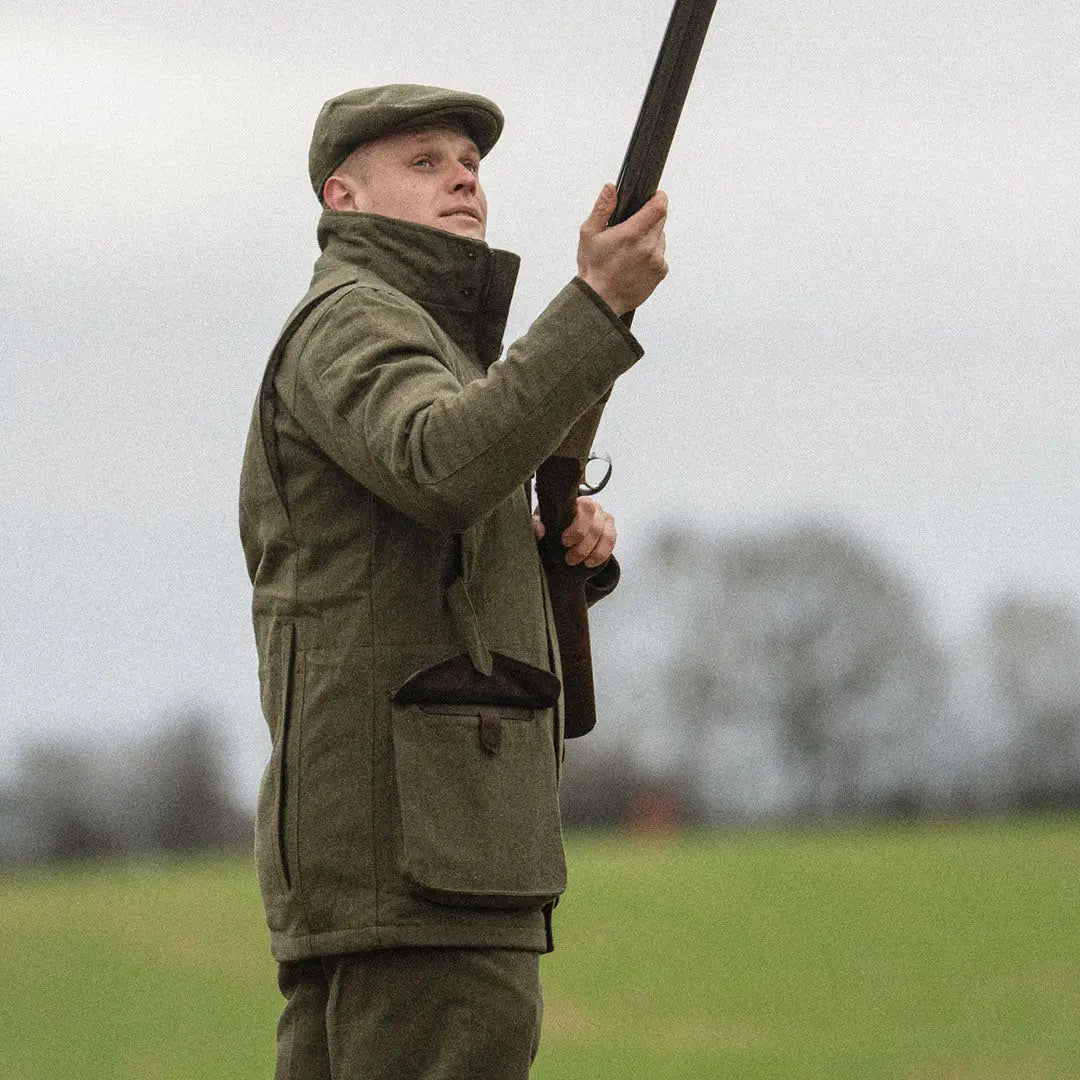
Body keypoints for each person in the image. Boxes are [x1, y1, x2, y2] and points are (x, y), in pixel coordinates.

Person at [238, 83, 668, 1080]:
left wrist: (539, 544)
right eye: (424, 161)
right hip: (413, 855)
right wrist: (597, 303)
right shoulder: (354, 320)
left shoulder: (424, 339)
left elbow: (427, 531)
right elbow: (441, 465)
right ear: (344, 197)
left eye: (468, 161)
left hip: (432, 848)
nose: (464, 174)